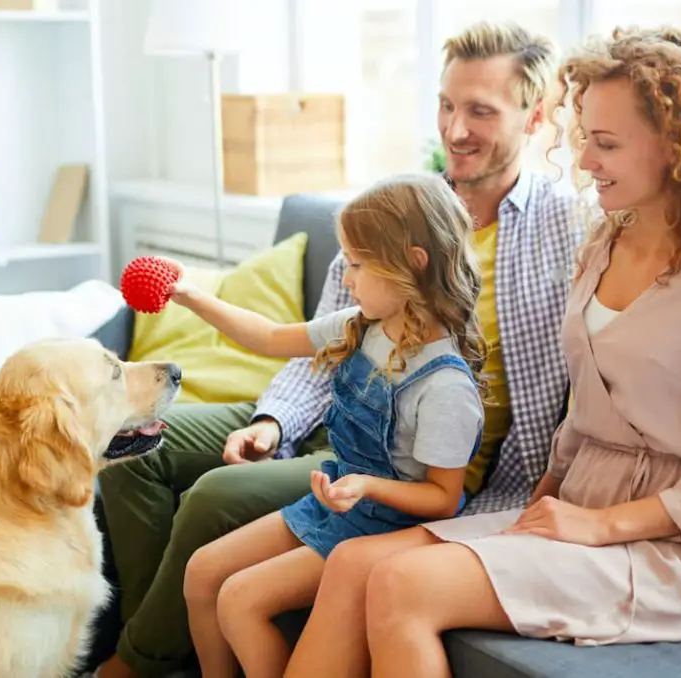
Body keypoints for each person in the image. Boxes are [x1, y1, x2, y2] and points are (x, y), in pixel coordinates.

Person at [285, 25, 681, 678]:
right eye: (585, 136)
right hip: (568, 509)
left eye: (607, 143)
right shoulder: (602, 244)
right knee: (353, 563)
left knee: (401, 583)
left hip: (669, 549)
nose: (584, 160)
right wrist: (544, 500)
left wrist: (599, 526)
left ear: (678, 147)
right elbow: (584, 412)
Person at [94, 19, 582, 678]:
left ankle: (138, 661)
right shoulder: (396, 214)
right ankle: (159, 642)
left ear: (536, 118)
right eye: (445, 104)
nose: (455, 128)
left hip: (389, 462)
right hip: (323, 405)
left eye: (480, 111)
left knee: (212, 499)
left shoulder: (567, 230)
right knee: (131, 447)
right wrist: (271, 422)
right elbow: (312, 341)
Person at [173, 172, 487, 678]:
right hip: (340, 501)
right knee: (202, 574)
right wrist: (192, 298)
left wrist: (366, 485)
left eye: (359, 265)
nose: (347, 278)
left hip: (391, 523)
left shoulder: (445, 386)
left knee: (239, 599)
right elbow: (271, 337)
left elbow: (443, 499)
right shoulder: (362, 327)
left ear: (412, 264)